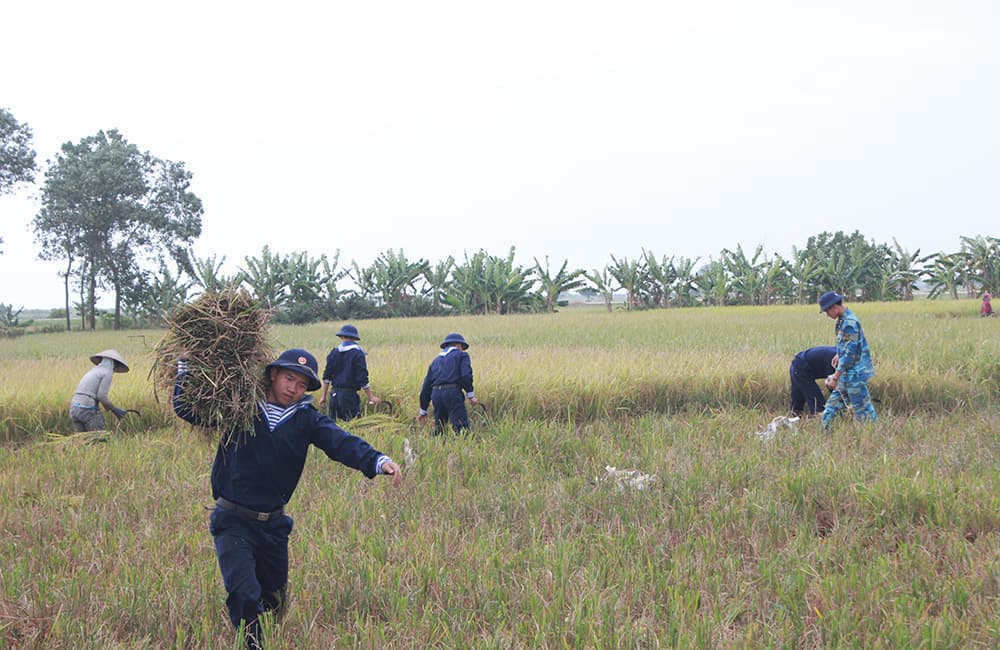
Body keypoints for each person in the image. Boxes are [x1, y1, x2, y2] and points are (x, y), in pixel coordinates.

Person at [173, 348, 402, 649]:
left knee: (275, 599)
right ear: (273, 374)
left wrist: (377, 461)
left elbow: (341, 443)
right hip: (233, 520)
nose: (293, 388)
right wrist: (185, 365)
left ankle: (262, 630)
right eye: (288, 378)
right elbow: (190, 410)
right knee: (244, 592)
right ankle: (251, 643)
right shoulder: (240, 406)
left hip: (274, 525)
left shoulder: (307, 419)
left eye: (301, 384)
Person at [818, 292, 877, 430]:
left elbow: (850, 355)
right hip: (846, 374)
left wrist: (835, 377)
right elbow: (846, 346)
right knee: (831, 407)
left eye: (827, 311)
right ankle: (822, 434)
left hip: (855, 375)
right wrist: (839, 354)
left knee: (863, 410)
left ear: (834, 307)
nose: (827, 314)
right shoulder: (842, 321)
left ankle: (873, 436)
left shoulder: (849, 323)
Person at [418, 332, 478, 434]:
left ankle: (437, 447)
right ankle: (462, 447)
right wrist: (470, 395)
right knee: (461, 427)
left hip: (436, 394)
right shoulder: (462, 355)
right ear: (458, 345)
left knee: (440, 427)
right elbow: (466, 375)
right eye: (462, 347)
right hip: (452, 393)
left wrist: (423, 411)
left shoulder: (435, 361)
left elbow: (426, 387)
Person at [319, 324, 380, 421]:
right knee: (351, 425)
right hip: (349, 397)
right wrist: (370, 397)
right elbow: (362, 378)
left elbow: (327, 377)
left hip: (334, 395)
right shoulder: (358, 354)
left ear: (341, 337)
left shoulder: (334, 352)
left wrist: (323, 396)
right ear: (355, 338)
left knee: (334, 427)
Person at [69, 349, 130, 432]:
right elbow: (101, 396)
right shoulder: (107, 372)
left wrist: (108, 408)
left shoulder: (94, 370)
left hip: (74, 408)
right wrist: (115, 410)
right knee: (100, 437)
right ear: (114, 364)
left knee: (82, 440)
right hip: (86, 408)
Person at [789, 346, 838, 417]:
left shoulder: (842, 353)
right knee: (819, 407)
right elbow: (832, 385)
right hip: (801, 367)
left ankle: (796, 418)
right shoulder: (838, 360)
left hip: (799, 362)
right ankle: (819, 421)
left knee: (797, 404)